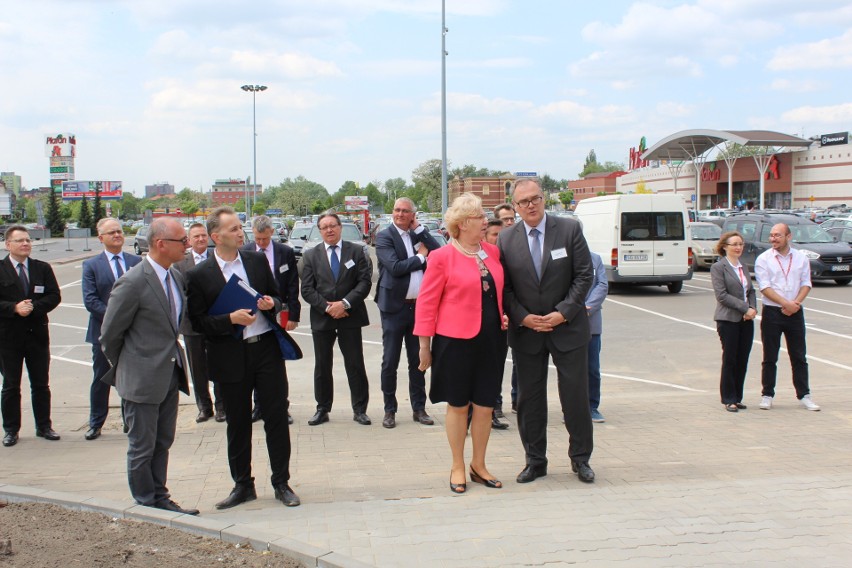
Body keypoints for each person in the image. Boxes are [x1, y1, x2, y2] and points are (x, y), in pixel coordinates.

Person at [186, 206, 301, 509]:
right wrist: (229, 320)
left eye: (240, 227)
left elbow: (278, 296)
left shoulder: (255, 260)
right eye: (234, 229)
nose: (241, 233)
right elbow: (196, 323)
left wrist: (270, 303)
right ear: (216, 236)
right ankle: (242, 485)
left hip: (266, 350)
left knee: (276, 418)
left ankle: (281, 482)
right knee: (238, 424)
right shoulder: (200, 275)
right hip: (230, 355)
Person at [497, 179, 595, 484]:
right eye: (523, 201)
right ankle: (535, 460)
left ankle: (580, 459)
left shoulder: (569, 230)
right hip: (527, 332)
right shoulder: (506, 239)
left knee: (575, 397)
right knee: (530, 399)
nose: (530, 205)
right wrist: (523, 318)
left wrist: (563, 313)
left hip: (567, 328)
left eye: (535, 199)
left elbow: (584, 275)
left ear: (544, 199)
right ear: (514, 206)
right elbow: (506, 288)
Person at [99, 218, 198, 515]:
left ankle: (160, 496)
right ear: (160, 244)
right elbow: (110, 335)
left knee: (162, 441)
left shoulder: (175, 277)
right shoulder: (133, 282)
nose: (188, 245)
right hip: (141, 379)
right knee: (142, 446)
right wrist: (131, 367)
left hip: (169, 374)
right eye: (182, 240)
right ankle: (146, 505)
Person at [415, 193, 506, 494]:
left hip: (491, 339)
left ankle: (478, 465)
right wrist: (424, 346)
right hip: (454, 341)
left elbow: (497, 291)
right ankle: (457, 464)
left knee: (484, 405)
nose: (485, 221)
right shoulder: (441, 257)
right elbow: (427, 304)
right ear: (464, 223)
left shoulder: (491, 252)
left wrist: (503, 314)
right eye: (480, 217)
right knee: (459, 404)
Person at [300, 212, 373, 427]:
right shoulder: (311, 256)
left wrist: (345, 304)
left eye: (333, 225)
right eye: (325, 227)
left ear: (340, 227)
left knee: (355, 364)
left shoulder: (357, 251)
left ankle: (360, 409)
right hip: (323, 318)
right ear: (320, 231)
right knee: (322, 365)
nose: (329, 230)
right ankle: (322, 408)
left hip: (350, 315)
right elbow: (306, 289)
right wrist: (327, 307)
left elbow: (364, 282)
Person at [374, 198, 440, 429]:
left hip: (419, 308)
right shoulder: (384, 237)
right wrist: (422, 257)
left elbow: (439, 251)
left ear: (413, 215)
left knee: (418, 360)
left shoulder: (416, 235)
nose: (400, 214)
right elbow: (395, 267)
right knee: (390, 360)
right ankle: (389, 410)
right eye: (397, 210)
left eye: (405, 211)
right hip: (393, 307)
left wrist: (420, 230)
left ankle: (419, 408)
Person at [1, 225, 61, 448]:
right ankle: (11, 430)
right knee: (10, 385)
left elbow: (54, 296)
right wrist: (13, 308)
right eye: (20, 241)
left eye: (28, 240)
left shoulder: (41, 268)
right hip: (8, 338)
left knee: (41, 384)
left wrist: (33, 307)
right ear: (8, 245)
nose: (26, 243)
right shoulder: (1, 269)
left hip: (37, 335)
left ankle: (44, 426)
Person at [81, 218, 142, 440]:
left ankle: (130, 421)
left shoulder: (136, 261)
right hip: (103, 333)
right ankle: (96, 423)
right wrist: (116, 319)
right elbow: (90, 300)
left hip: (132, 333)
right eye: (111, 233)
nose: (117, 235)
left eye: (119, 231)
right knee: (101, 378)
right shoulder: (91, 265)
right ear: (101, 238)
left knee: (131, 378)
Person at [242, 215, 300, 426]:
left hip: (276, 311)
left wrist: (293, 314)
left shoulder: (284, 252)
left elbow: (293, 285)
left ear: (272, 233)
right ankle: (258, 406)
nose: (261, 243)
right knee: (255, 362)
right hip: (253, 315)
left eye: (265, 239)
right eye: (258, 239)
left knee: (277, 363)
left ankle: (281, 407)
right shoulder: (245, 252)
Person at [754, 223, 819, 411]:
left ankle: (804, 394)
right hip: (773, 312)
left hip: (795, 312)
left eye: (778, 235)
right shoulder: (764, 259)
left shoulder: (800, 258)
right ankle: (767, 394)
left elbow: (806, 283)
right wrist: (785, 304)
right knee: (770, 356)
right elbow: (765, 288)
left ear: (788, 237)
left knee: (799, 355)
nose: (773, 239)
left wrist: (795, 304)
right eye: (772, 235)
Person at [174, 223, 225, 424]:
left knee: (220, 365)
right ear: (189, 239)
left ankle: (222, 406)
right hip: (191, 324)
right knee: (197, 368)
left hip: (216, 321)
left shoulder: (218, 257)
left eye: (204, 236)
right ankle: (204, 407)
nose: (201, 240)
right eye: (196, 237)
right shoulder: (180, 263)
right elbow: (179, 293)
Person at [710, 231, 757, 413]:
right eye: (734, 244)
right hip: (728, 319)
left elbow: (751, 290)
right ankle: (728, 398)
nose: (738, 247)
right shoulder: (719, 267)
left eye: (741, 244)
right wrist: (745, 308)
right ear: (725, 247)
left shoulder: (743, 266)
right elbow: (721, 295)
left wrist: (752, 309)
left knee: (742, 359)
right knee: (730, 358)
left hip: (746, 319)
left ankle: (737, 397)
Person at [483, 218, 510, 430]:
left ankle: (491, 412)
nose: (499, 239)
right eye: (494, 235)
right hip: (477, 327)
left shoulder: (505, 260)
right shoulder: (478, 259)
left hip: (499, 326)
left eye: (502, 235)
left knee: (495, 371)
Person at [494, 203, 519, 414]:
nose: (509, 223)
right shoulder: (491, 252)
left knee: (521, 359)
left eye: (512, 218)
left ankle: (518, 399)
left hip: (519, 313)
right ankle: (496, 404)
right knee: (496, 363)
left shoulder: (520, 244)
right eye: (505, 220)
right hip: (499, 315)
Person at [585, 251, 609, 423]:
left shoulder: (595, 258)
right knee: (570, 371)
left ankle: (592, 406)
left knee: (592, 368)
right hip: (566, 321)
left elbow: (602, 285)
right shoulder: (559, 256)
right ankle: (570, 408)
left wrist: (588, 307)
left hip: (590, 321)